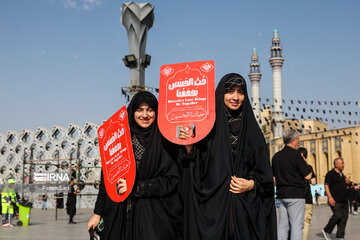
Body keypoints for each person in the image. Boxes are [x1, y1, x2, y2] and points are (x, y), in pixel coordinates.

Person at [178, 73, 277, 240]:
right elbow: (196, 170)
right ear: (220, 93)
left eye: (240, 92)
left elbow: (265, 175)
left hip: (246, 213)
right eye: (230, 91)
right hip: (212, 211)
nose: (236, 97)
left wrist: (252, 183)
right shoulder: (208, 129)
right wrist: (188, 147)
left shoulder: (253, 132)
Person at [88, 91, 182, 240]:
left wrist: (136, 187)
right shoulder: (120, 138)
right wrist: (97, 213)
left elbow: (172, 180)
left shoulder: (166, 142)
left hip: (154, 216)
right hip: (120, 213)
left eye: (150, 109)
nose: (145, 115)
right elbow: (107, 178)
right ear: (132, 111)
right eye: (139, 109)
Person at [272, 129, 312, 240]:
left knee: (283, 225)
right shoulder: (296, 155)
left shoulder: (276, 157)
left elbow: (274, 178)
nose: (299, 142)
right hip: (296, 195)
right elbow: (308, 176)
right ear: (293, 141)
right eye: (298, 139)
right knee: (296, 226)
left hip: (281, 195)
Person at [322, 158, 350, 240]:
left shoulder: (342, 174)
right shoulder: (330, 174)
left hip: (344, 200)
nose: (343, 165)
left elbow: (346, 182)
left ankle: (340, 236)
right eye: (342, 163)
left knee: (344, 218)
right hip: (335, 200)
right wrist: (330, 197)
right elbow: (326, 185)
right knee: (337, 215)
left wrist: (348, 182)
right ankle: (327, 230)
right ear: (336, 164)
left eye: (343, 163)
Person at [297, 147, 316, 240]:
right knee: (306, 223)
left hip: (295, 198)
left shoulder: (293, 168)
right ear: (306, 156)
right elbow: (313, 182)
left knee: (295, 223)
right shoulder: (309, 167)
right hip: (307, 198)